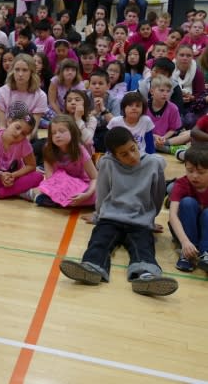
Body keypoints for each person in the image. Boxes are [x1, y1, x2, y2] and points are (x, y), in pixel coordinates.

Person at [59, 126, 177, 296]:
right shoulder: (107, 163)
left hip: (139, 221)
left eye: (133, 149)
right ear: (114, 156)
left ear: (136, 143)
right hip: (111, 217)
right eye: (124, 154)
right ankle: (91, 267)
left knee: (143, 246)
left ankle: (146, 276)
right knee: (99, 240)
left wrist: (150, 219)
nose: (132, 156)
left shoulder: (153, 163)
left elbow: (157, 194)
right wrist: (98, 215)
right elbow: (103, 192)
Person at [26, 115, 97, 207]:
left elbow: (95, 177)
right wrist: (58, 191)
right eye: (53, 133)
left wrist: (87, 194)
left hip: (81, 184)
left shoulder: (80, 150)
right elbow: (50, 178)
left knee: (98, 194)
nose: (57, 135)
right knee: (45, 188)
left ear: (72, 132)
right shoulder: (48, 148)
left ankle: (46, 200)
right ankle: (47, 199)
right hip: (61, 185)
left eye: (62, 131)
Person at [0, 110, 42, 199]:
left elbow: (31, 166)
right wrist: (1, 175)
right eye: (17, 127)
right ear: (9, 121)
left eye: (23, 134)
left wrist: (13, 176)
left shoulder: (24, 144)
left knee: (38, 177)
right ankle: (18, 191)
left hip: (13, 178)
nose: (18, 133)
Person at [169, 146, 208, 272]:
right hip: (185, 230)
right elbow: (173, 216)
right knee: (187, 203)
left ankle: (205, 252)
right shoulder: (181, 184)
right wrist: (185, 241)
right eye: (190, 170)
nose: (194, 176)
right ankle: (187, 253)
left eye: (201, 172)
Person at [0, 53, 47, 137]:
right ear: (12, 71)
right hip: (6, 136)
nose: (20, 74)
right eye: (17, 70)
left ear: (31, 72)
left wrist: (21, 146)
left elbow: (33, 129)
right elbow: (1, 126)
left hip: (28, 138)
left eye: (25, 70)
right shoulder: (0, 93)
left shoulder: (40, 96)